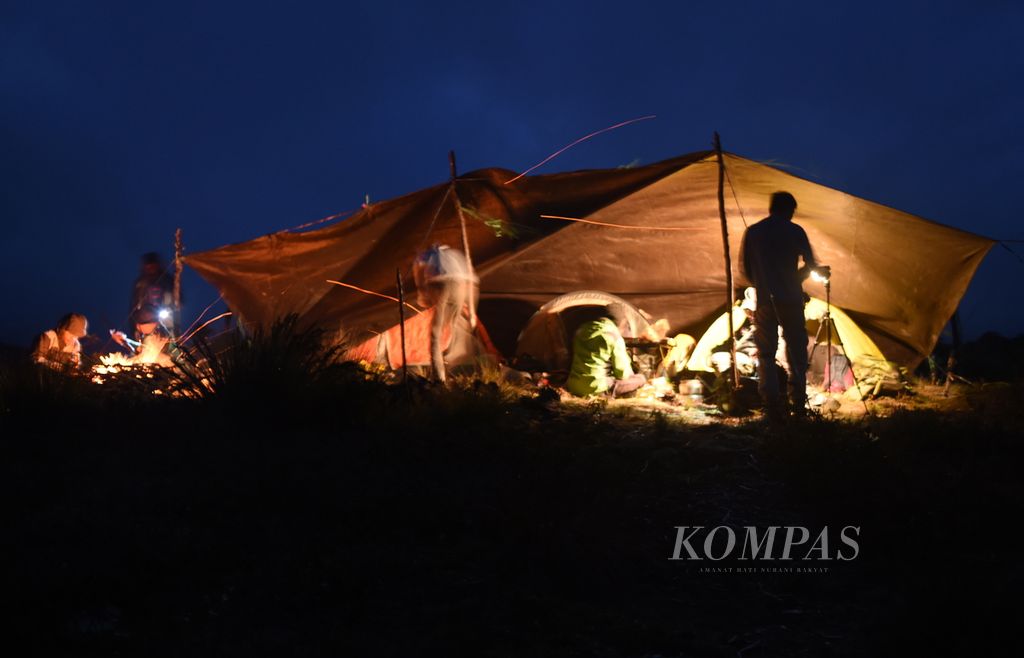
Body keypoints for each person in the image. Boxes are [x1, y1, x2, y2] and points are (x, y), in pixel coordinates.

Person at [740, 191, 825, 419]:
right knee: (796, 349)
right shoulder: (795, 231)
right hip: (791, 298)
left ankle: (771, 404)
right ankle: (797, 403)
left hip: (765, 300)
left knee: (766, 353)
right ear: (789, 210)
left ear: (771, 208)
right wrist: (793, 279)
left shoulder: (754, 232)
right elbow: (811, 265)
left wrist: (762, 282)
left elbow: (745, 269)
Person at [412, 244, 479, 383]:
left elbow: (418, 268)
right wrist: (472, 310)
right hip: (462, 286)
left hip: (442, 284)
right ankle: (465, 367)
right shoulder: (455, 253)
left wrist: (421, 291)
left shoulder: (430, 253)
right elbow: (472, 280)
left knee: (436, 333)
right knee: (456, 327)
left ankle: (439, 376)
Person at [566, 304, 646, 398]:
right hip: (597, 389)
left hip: (574, 386)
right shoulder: (613, 335)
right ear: (621, 323)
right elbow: (622, 373)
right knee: (640, 379)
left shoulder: (581, 330)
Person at [111, 305, 176, 366]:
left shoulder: (158, 336)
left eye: (140, 323)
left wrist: (124, 363)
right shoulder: (151, 334)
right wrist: (125, 340)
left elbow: (144, 358)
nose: (137, 327)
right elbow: (142, 348)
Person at [130, 252, 176, 332]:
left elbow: (176, 297)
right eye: (149, 267)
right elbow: (134, 304)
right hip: (146, 320)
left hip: (164, 316)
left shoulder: (167, 280)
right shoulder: (141, 283)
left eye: (153, 266)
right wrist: (134, 327)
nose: (151, 269)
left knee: (168, 337)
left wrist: (174, 304)